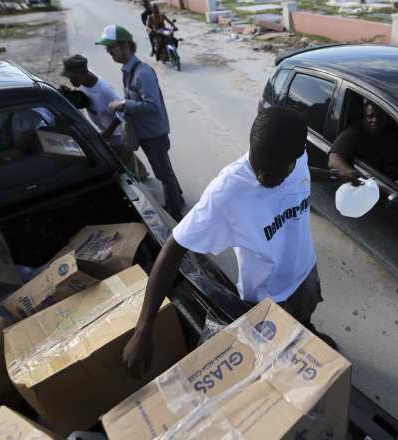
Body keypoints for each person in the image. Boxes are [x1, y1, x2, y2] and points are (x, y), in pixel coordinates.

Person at [122, 106, 345, 377]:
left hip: (304, 269)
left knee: (305, 312)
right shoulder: (227, 193)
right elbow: (174, 247)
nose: (264, 178)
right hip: (268, 295)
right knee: (279, 358)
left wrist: (335, 175)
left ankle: (307, 328)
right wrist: (144, 328)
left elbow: (305, 172)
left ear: (294, 159)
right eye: (260, 169)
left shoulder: (296, 157)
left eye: (275, 174)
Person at [96, 24, 185, 220]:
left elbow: (152, 106)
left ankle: (175, 211)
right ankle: (177, 197)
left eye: (112, 47)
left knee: (163, 173)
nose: (109, 52)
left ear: (126, 47)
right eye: (108, 48)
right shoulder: (129, 70)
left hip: (153, 132)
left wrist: (124, 104)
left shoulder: (141, 73)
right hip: (146, 131)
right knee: (165, 168)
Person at [59, 54, 148, 180]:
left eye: (72, 77)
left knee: (120, 159)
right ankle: (141, 173)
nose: (70, 81)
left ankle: (140, 179)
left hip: (117, 132)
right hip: (104, 127)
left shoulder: (105, 91)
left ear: (82, 73)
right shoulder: (85, 80)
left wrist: (108, 132)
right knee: (120, 154)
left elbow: (123, 111)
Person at [329, 99, 398, 189]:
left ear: (385, 116)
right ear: (364, 117)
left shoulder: (395, 131)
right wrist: (351, 174)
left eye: (379, 116)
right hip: (374, 186)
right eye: (370, 116)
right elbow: (334, 159)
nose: (375, 120)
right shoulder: (354, 133)